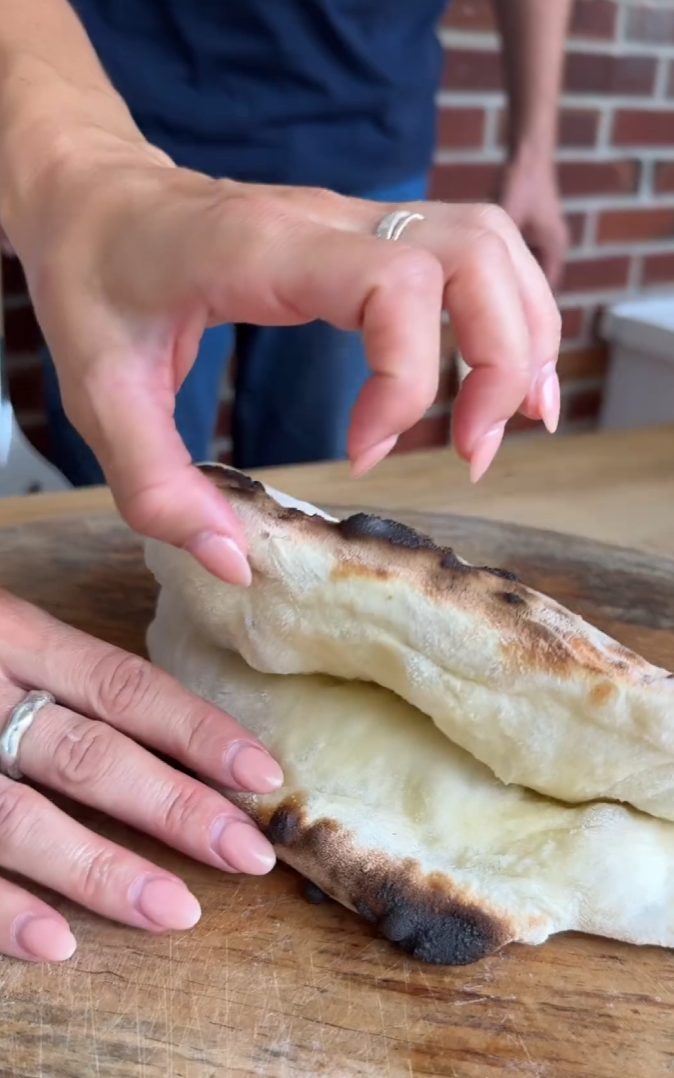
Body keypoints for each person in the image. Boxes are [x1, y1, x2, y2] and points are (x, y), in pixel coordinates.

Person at [0, 0, 565, 963]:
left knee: (323, 503)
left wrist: (536, 144)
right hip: (134, 104)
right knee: (141, 521)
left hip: (363, 138)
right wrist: (79, 166)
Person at [37, 0, 572, 483]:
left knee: (317, 482)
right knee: (117, 481)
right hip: (129, 136)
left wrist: (534, 153)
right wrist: (44, 145)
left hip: (363, 142)